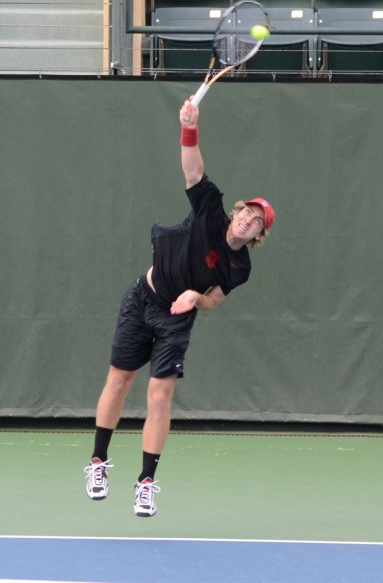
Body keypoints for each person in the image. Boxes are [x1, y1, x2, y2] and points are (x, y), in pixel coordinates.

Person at [84, 97, 275, 517]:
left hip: (176, 318)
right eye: (248, 212)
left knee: (160, 395)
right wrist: (189, 126)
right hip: (142, 298)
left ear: (259, 235)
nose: (248, 220)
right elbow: (193, 169)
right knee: (119, 381)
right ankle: (98, 462)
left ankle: (146, 482)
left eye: (258, 222)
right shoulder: (210, 209)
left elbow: (214, 301)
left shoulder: (239, 267)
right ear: (237, 211)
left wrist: (196, 298)